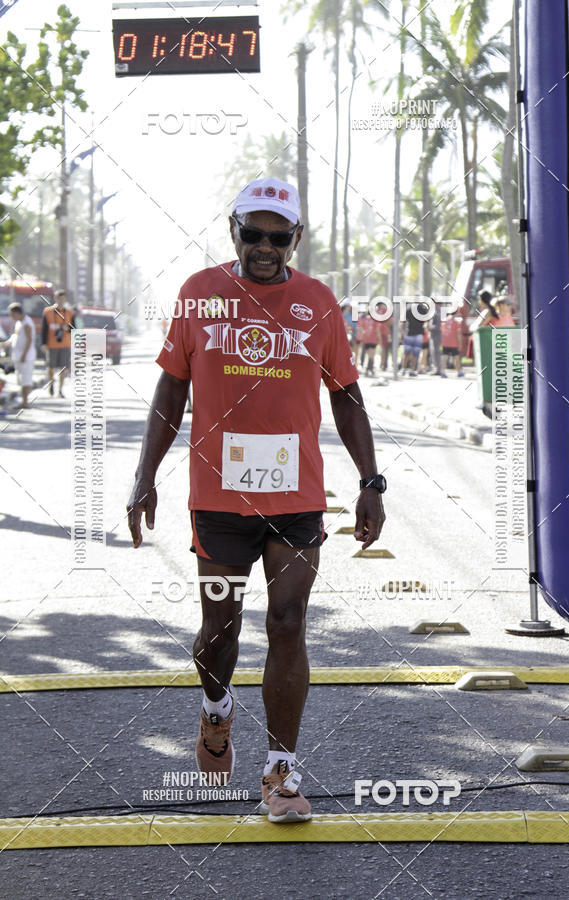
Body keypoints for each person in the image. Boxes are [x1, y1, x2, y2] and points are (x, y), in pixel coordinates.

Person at [127, 177, 386, 824]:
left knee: (288, 622)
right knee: (220, 629)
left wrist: (371, 481)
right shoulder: (200, 295)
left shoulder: (318, 303)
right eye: (253, 234)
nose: (265, 248)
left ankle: (282, 771)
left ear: (295, 239)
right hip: (218, 499)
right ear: (233, 229)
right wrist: (144, 475)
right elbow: (170, 391)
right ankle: (216, 707)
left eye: (279, 237)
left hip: (296, 499)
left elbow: (346, 396)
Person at [0, 302, 36, 408]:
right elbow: (15, 337)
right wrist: (5, 344)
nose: (11, 317)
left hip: (26, 357)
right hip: (19, 356)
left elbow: (29, 340)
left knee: (26, 380)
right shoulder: (19, 322)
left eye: (11, 314)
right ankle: (23, 401)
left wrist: (24, 355)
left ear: (16, 313)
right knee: (21, 380)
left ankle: (25, 402)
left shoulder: (27, 323)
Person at [41, 288, 75, 397]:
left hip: (65, 344)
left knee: (63, 368)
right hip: (51, 344)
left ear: (65, 300)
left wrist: (67, 328)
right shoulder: (47, 311)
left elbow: (74, 329)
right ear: (55, 298)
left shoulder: (69, 312)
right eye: (58, 298)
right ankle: (51, 385)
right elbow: (44, 329)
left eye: (63, 299)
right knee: (50, 367)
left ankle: (59, 390)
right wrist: (43, 344)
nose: (60, 301)